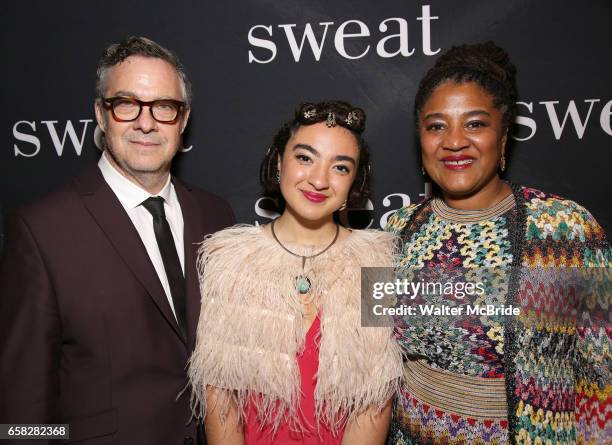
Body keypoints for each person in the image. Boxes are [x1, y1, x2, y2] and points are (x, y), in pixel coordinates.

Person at [0, 36, 235, 444]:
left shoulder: (216, 215)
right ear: (101, 114)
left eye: (164, 106)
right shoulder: (41, 230)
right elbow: (22, 405)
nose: (146, 123)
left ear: (183, 119)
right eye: (126, 104)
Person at [385, 42, 611, 444]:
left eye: (474, 124)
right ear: (420, 140)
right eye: (436, 126)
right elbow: (374, 360)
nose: (454, 141)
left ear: (503, 138)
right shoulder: (397, 231)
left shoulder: (566, 230)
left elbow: (603, 374)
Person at [188, 101, 404, 444]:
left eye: (341, 167)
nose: (319, 180)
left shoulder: (375, 261)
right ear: (279, 163)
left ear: (354, 181)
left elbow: (373, 401)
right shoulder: (230, 260)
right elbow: (220, 399)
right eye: (305, 158)